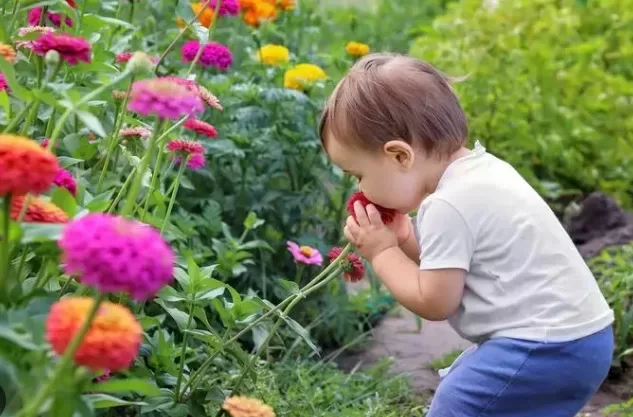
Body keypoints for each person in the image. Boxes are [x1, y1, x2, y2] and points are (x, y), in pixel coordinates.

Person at [319, 52, 614, 417]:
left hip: (545, 346)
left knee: (458, 403)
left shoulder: (447, 204)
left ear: (400, 156)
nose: (359, 187)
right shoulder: (483, 172)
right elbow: (450, 265)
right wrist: (405, 237)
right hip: (581, 339)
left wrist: (382, 252)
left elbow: (435, 300)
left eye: (358, 175)